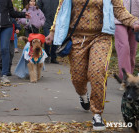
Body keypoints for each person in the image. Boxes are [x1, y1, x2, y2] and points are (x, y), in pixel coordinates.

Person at [46, 0, 139, 131]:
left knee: (97, 72)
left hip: (101, 36)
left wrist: (133, 21)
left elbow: (119, 10)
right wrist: (52, 31)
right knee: (78, 78)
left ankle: (97, 113)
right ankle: (83, 94)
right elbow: (61, 10)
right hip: (77, 37)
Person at [114, 0, 139, 89]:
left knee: (132, 52)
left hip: (136, 21)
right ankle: (126, 80)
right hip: (118, 20)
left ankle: (131, 83)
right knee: (124, 48)